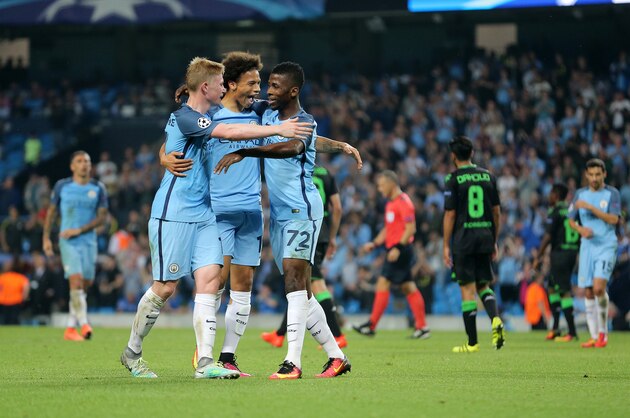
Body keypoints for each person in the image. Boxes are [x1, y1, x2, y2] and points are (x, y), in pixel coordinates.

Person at [161, 52, 360, 376]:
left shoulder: (264, 114)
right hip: (223, 210)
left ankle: (240, 358)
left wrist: (338, 145)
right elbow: (174, 133)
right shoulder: (212, 113)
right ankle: (209, 354)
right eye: (254, 82)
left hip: (259, 211)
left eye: (264, 83)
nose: (261, 89)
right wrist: (164, 157)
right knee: (226, 282)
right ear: (231, 84)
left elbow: (299, 137)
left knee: (265, 286)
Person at [119, 57, 313, 380]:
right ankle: (132, 351)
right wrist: (278, 128)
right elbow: (225, 131)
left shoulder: (207, 112)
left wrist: (163, 156)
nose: (225, 88)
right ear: (207, 87)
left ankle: (206, 361)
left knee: (210, 281)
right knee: (165, 288)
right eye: (221, 83)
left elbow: (176, 143)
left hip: (205, 213)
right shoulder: (187, 117)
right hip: (174, 213)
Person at [214, 61, 355, 380]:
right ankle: (336, 357)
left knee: (293, 283)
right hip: (279, 213)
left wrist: (248, 151)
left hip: (301, 210)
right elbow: (232, 96)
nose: (267, 91)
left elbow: (293, 146)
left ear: (293, 91)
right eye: (268, 85)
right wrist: (192, 92)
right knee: (302, 290)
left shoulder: (303, 120)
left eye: (275, 86)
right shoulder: (266, 111)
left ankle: (293, 362)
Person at [261, 165, 347, 349]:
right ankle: (280, 334)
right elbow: (337, 208)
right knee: (302, 283)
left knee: (313, 284)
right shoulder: (326, 174)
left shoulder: (295, 171)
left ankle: (337, 335)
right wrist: (332, 236)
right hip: (322, 230)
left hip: (307, 226)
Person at [442, 136, 505, 353]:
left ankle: (472, 343)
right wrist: (494, 239)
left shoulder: (453, 178)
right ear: (472, 154)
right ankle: (495, 319)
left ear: (453, 156)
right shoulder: (489, 176)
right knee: (483, 286)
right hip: (486, 236)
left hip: (464, 239)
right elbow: (497, 212)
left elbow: (450, 215)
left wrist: (446, 245)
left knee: (467, 290)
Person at [352, 170, 430, 339]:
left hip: (400, 251)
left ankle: (371, 325)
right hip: (395, 249)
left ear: (391, 184)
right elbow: (388, 229)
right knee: (408, 287)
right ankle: (422, 327)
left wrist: (398, 248)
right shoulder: (390, 204)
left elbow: (411, 229)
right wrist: (375, 243)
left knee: (383, 283)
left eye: (381, 185)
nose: (379, 189)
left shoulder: (404, 202)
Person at [43, 150, 108, 341]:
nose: (84, 164)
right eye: (79, 161)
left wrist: (80, 230)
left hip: (88, 241)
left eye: (87, 161)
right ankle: (84, 322)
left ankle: (70, 328)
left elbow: (102, 218)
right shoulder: (62, 186)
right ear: (72, 166)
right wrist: (46, 238)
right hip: (67, 241)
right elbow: (51, 213)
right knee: (76, 281)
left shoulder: (98, 188)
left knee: (85, 285)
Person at [568, 158, 621, 348]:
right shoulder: (579, 194)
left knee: (598, 288)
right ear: (586, 175)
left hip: (606, 245)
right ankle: (593, 335)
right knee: (588, 292)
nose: (594, 178)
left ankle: (603, 333)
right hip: (587, 246)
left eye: (598, 174)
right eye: (591, 174)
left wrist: (591, 208)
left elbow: (614, 219)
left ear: (604, 174)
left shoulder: (612, 194)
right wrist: (581, 230)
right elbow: (571, 220)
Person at [533, 183, 579, 341]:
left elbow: (548, 236)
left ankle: (572, 332)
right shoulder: (572, 210)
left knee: (563, 291)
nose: (549, 196)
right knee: (552, 287)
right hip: (571, 252)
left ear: (556, 194)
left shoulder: (555, 211)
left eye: (551, 193)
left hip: (560, 254)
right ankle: (555, 328)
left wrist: (538, 256)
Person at [0, 258, 30, 325]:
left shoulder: (3, 277)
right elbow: (26, 290)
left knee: (5, 321)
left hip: (4, 302)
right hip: (16, 302)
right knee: (14, 320)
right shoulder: (21, 278)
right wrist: (24, 300)